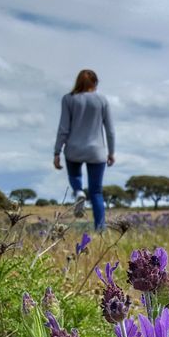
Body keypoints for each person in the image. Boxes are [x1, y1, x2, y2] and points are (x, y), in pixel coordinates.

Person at [53, 69, 115, 230]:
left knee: (75, 176)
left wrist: (57, 151)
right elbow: (110, 130)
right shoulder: (102, 100)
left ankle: (78, 191)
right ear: (95, 83)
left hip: (73, 149)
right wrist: (111, 152)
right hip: (97, 151)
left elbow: (63, 128)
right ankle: (100, 229)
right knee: (96, 192)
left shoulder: (68, 99)